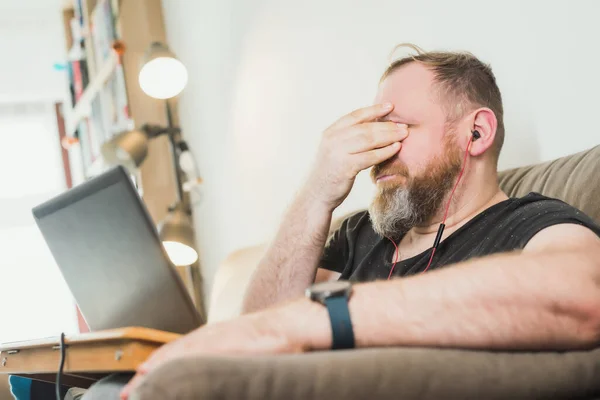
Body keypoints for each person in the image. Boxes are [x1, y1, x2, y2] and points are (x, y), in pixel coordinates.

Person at [120, 44, 600, 399]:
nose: (379, 150)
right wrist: (317, 190)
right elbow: (261, 326)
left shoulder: (531, 222)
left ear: (476, 132)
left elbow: (584, 293)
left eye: (398, 128)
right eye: (373, 129)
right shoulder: (362, 234)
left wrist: (322, 318)